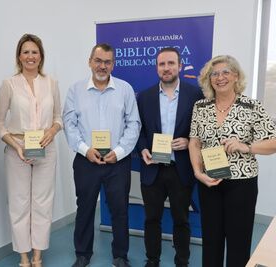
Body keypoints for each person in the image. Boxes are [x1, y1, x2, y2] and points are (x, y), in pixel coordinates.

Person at [189, 55, 276, 267]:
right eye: (214, 74)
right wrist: (197, 172)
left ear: (236, 76)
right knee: (211, 240)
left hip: (241, 184)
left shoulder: (251, 106)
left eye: (226, 72)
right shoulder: (201, 107)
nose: (220, 77)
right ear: (209, 79)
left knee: (238, 242)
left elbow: (273, 142)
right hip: (209, 182)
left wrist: (246, 146)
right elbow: (194, 143)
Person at [63, 43, 141, 267]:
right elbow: (70, 125)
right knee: (85, 207)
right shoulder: (75, 90)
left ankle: (120, 255)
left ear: (113, 64)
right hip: (86, 160)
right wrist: (85, 150)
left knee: (119, 209)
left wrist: (118, 152)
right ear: (90, 62)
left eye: (107, 62)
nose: (102, 66)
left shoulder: (125, 89)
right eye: (98, 61)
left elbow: (133, 124)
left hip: (117, 162)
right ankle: (83, 253)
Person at [0, 33, 62, 267]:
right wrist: (16, 145)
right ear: (19, 56)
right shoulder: (8, 84)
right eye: (26, 52)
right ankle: (23, 257)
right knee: (20, 203)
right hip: (17, 149)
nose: (30, 56)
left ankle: (37, 256)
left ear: (41, 56)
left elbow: (58, 118)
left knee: (42, 203)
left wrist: (51, 132)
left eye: (34, 52)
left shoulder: (51, 83)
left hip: (46, 148)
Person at [136, 47, 203, 267]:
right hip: (152, 168)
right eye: (162, 64)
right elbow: (139, 131)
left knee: (181, 220)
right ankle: (152, 259)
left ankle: (182, 261)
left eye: (171, 63)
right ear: (157, 68)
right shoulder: (144, 97)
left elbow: (203, 130)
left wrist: (189, 141)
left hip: (180, 167)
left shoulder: (196, 96)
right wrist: (143, 149)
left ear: (180, 66)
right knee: (151, 219)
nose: (166, 68)